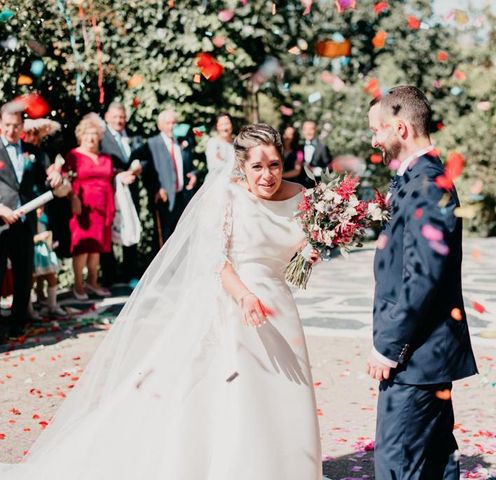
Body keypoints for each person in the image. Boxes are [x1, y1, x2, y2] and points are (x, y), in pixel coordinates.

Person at [0, 123, 323, 479]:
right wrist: (244, 295)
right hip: (237, 306)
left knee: (284, 392)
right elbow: (217, 259)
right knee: (241, 394)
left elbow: (298, 249)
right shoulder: (227, 196)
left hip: (281, 307)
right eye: (257, 167)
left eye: (274, 165)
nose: (267, 175)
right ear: (241, 166)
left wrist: (309, 252)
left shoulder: (302, 196)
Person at [366, 86, 478, 480]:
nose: (374, 140)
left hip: (415, 357)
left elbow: (423, 277)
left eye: (378, 130)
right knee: (434, 462)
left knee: (398, 465)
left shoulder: (427, 183)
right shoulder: (420, 177)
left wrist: (388, 347)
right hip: (426, 356)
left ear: (400, 128)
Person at [0, 105, 62, 339]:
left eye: (15, 125)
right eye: (6, 125)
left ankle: (18, 323)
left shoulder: (32, 152)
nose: (11, 130)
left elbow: (46, 180)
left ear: (22, 126)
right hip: (1, 221)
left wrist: (55, 176)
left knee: (24, 274)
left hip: (25, 222)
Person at [63, 113, 137, 300]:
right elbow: (65, 180)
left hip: (104, 207)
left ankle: (93, 282)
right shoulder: (73, 156)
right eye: (87, 134)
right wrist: (73, 197)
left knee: (98, 247)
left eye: (94, 134)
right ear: (80, 135)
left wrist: (124, 176)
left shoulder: (106, 158)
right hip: (83, 208)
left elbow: (112, 177)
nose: (91, 138)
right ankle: (78, 285)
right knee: (83, 247)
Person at [135, 109, 197, 251]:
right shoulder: (152, 144)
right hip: (164, 199)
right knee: (164, 241)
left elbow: (190, 165)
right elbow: (146, 170)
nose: (171, 126)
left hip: (183, 198)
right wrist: (156, 189)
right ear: (159, 126)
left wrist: (193, 174)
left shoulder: (183, 141)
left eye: (174, 122)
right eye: (167, 123)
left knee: (183, 239)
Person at [100, 101, 143, 286]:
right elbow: (100, 163)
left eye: (122, 117)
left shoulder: (133, 135)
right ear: (107, 117)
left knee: (130, 226)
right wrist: (118, 175)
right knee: (109, 231)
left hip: (130, 190)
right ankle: (109, 276)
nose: (119, 120)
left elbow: (144, 157)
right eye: (116, 117)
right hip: (110, 191)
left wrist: (138, 168)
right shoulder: (101, 137)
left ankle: (130, 273)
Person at [32, 207, 66, 318]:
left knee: (51, 278)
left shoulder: (44, 219)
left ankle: (52, 305)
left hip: (45, 253)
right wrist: (39, 237)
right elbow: (28, 239)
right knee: (31, 281)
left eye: (42, 208)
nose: (40, 210)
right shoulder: (29, 220)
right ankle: (29, 310)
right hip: (34, 254)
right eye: (37, 208)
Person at [299, 119, 332, 188]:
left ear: (315, 130)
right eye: (306, 129)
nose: (308, 132)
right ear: (302, 131)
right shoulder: (299, 147)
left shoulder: (322, 148)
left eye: (311, 129)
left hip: (316, 187)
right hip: (299, 186)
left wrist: (315, 170)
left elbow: (329, 168)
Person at [205, 112, 235, 180]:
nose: (224, 128)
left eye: (227, 124)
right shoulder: (213, 143)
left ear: (232, 125)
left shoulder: (237, 144)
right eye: (221, 124)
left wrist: (223, 161)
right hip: (216, 183)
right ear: (217, 127)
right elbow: (215, 166)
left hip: (234, 183)